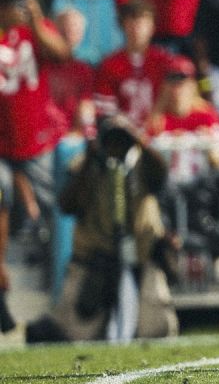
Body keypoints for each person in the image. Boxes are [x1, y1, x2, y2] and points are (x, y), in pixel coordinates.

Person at [24, 115, 177, 343]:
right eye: (112, 140)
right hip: (95, 257)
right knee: (78, 331)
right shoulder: (86, 165)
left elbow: (161, 176)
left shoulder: (143, 163)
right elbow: (67, 204)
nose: (117, 146)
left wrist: (137, 138)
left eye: (121, 140)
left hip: (142, 253)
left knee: (156, 329)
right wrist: (90, 159)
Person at [0, 0, 70, 333]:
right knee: (2, 192)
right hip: (1, 144)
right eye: (8, 4)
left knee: (55, 209)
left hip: (35, 137)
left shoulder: (33, 31)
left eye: (17, 2)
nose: (15, 10)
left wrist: (40, 21)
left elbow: (63, 55)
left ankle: (64, 291)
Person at [94, 0, 175, 128]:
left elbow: (182, 101)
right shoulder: (109, 65)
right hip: (123, 136)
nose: (137, 26)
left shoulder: (166, 62)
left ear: (152, 27)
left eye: (143, 21)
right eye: (132, 20)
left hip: (163, 134)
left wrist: (158, 113)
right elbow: (104, 110)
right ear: (122, 25)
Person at [147, 56, 219, 184]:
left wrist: (207, 142)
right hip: (167, 186)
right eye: (171, 82)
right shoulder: (157, 120)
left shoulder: (207, 116)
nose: (176, 89)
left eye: (181, 82)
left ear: (192, 84)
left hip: (203, 185)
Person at [47, 8, 97, 138]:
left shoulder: (83, 69)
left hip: (71, 135)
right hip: (43, 135)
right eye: (65, 27)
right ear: (54, 29)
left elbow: (86, 105)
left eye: (75, 29)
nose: (70, 32)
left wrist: (81, 132)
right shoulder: (42, 65)